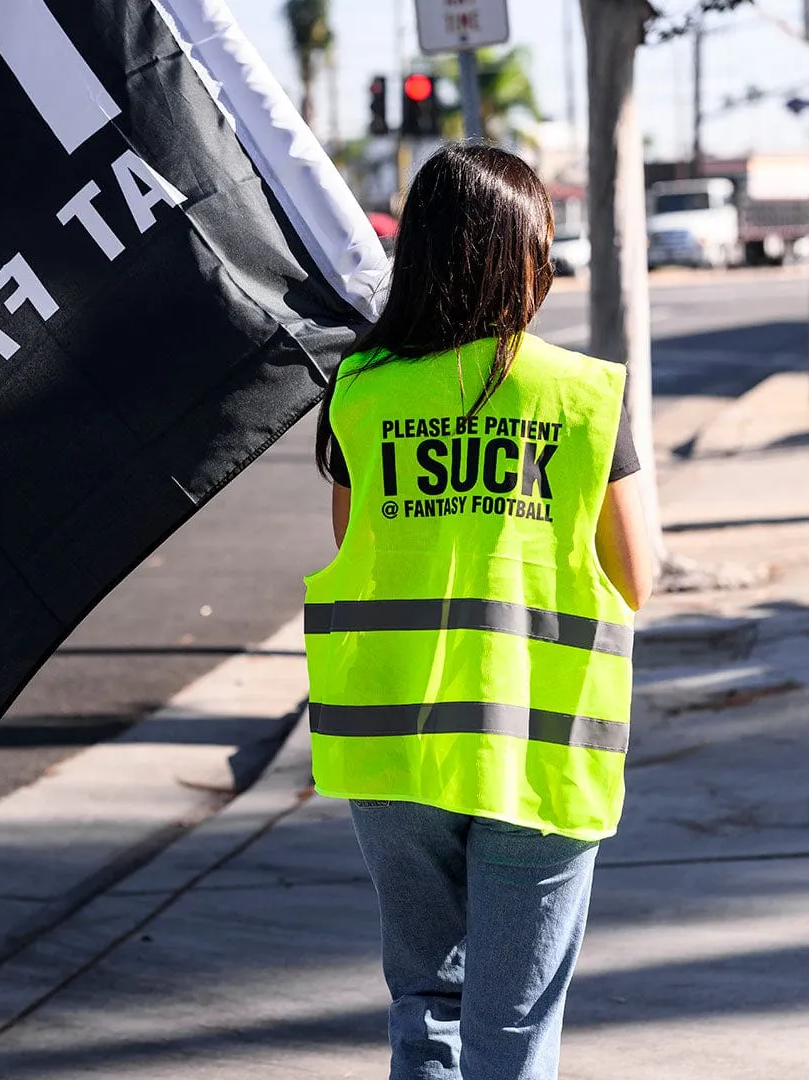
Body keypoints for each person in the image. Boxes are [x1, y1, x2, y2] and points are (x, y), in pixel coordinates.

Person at [303, 144, 653, 1080]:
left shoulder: (362, 392)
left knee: (427, 999)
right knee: (512, 1029)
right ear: (527, 255)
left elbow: (359, 549)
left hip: (395, 738)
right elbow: (637, 576)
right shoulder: (583, 396)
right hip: (538, 743)